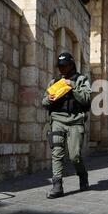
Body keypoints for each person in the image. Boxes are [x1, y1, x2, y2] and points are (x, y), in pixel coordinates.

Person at [42, 53, 92, 199]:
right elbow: (44, 102)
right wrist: (49, 99)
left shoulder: (82, 80)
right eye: (60, 66)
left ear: (71, 65)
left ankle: (82, 175)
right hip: (57, 120)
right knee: (57, 153)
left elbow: (86, 99)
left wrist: (73, 86)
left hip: (75, 121)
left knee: (75, 156)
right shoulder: (54, 82)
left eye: (65, 65)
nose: (62, 69)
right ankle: (57, 186)